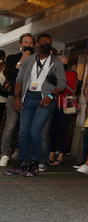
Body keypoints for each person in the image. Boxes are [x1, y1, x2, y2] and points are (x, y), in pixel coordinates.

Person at [3, 34, 66, 177]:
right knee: (23, 132)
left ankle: (34, 164)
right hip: (28, 97)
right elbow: (19, 79)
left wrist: (51, 96)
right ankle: (21, 163)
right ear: (37, 44)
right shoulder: (29, 60)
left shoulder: (56, 62)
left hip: (45, 99)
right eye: (43, 42)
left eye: (49, 42)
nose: (46, 44)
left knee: (35, 132)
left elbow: (62, 83)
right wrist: (18, 97)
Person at [0, 33, 35, 167]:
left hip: (30, 97)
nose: (28, 45)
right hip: (13, 96)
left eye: (31, 43)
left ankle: (22, 154)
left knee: (26, 128)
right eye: (25, 42)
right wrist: (22, 58)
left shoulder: (36, 60)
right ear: (20, 44)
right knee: (10, 126)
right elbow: (12, 74)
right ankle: (3, 154)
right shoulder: (12, 58)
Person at [48, 56, 78, 166]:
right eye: (61, 62)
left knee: (62, 131)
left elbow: (72, 89)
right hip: (55, 105)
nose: (62, 64)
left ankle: (60, 156)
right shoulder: (53, 73)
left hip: (67, 104)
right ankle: (51, 154)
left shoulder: (71, 74)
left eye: (64, 62)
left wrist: (61, 82)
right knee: (52, 131)